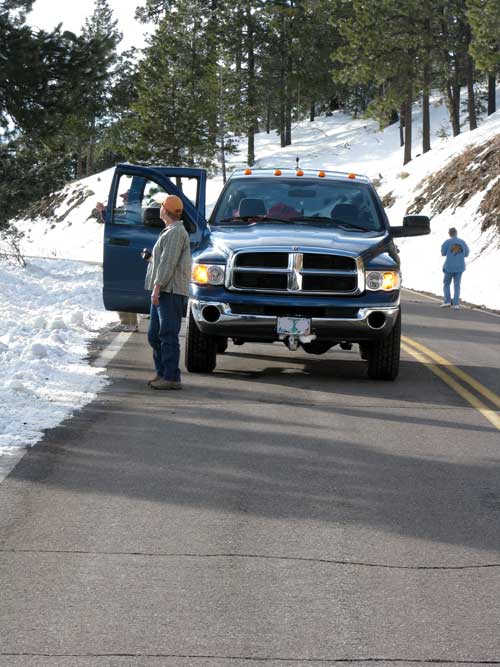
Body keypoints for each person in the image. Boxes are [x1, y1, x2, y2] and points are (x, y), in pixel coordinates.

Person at [145, 194, 191, 390]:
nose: (159, 208)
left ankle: (171, 377)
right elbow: (164, 261)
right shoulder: (170, 231)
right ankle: (163, 372)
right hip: (164, 288)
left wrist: (157, 287)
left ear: (167, 210)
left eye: (161, 206)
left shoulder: (174, 233)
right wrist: (150, 258)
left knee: (167, 334)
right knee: (154, 335)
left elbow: (168, 264)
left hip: (169, 291)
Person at [92, 193, 139, 332]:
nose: (123, 201)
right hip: (123, 254)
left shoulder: (132, 213)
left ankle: (129, 323)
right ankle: (127, 322)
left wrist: (104, 211)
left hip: (125, 254)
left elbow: (113, 217)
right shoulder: (131, 211)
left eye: (125, 198)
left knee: (124, 288)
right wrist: (104, 210)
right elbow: (113, 214)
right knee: (123, 287)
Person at [440, 227, 469, 310]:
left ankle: (447, 301)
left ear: (449, 234)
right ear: (456, 233)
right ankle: (456, 304)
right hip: (460, 267)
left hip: (449, 267)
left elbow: (443, 253)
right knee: (457, 285)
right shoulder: (463, 242)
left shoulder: (447, 242)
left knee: (446, 284)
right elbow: (466, 254)